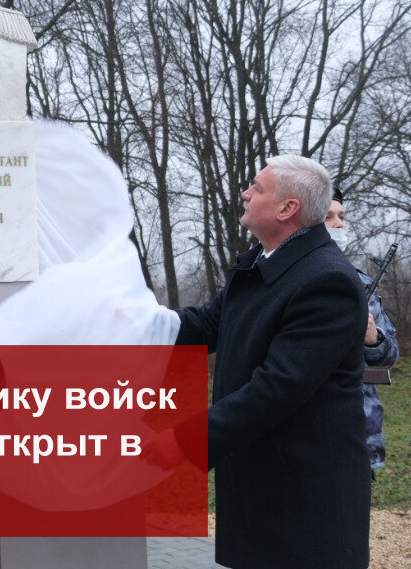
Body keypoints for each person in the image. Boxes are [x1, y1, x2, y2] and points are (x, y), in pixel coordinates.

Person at [147, 155, 371, 569]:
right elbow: (205, 325)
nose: (245, 193)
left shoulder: (327, 281)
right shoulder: (261, 263)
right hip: (257, 480)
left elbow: (276, 388)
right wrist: (134, 325)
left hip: (303, 496)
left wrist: (182, 442)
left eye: (257, 187)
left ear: (287, 208)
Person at [324, 185, 400, 476]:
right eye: (329, 217)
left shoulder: (360, 283)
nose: (339, 224)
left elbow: (390, 354)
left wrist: (373, 339)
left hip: (358, 433)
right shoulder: (285, 279)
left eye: (342, 216)